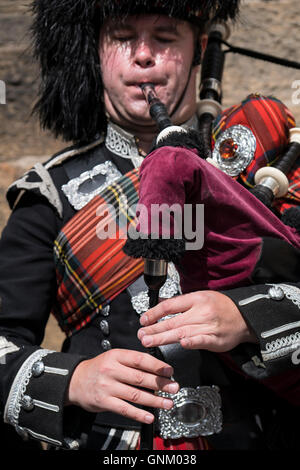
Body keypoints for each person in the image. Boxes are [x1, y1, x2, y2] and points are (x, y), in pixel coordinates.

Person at [0, 0, 300, 451]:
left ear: (199, 49)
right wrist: (75, 379)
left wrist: (249, 318)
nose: (144, 55)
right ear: (96, 51)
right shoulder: (50, 193)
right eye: (122, 37)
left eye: (164, 37)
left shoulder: (271, 164)